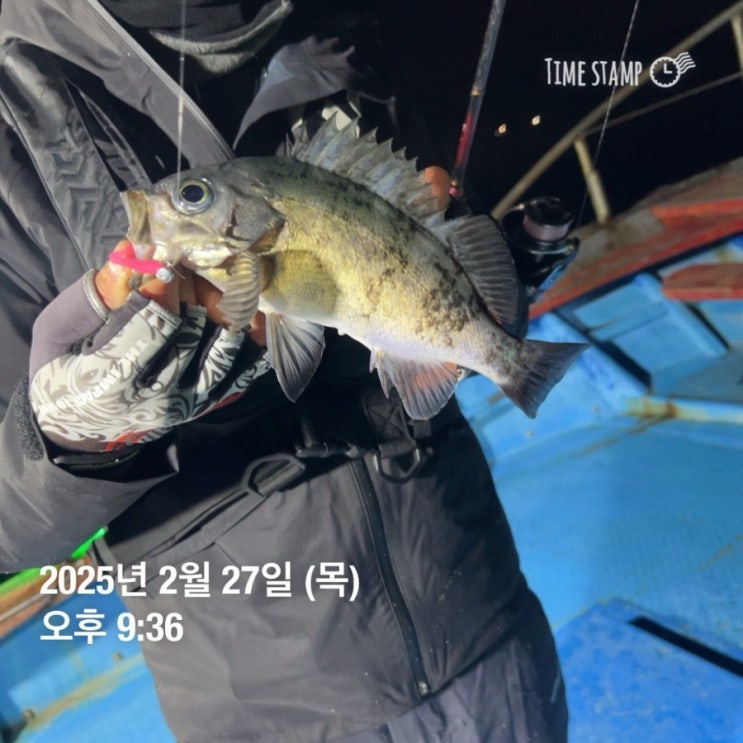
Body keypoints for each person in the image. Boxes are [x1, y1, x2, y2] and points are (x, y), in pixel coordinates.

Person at [0, 1, 568, 741]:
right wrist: (69, 440)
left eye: (193, 198)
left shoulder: (341, 30)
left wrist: (491, 292)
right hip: (268, 710)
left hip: (486, 623)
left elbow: (422, 243)